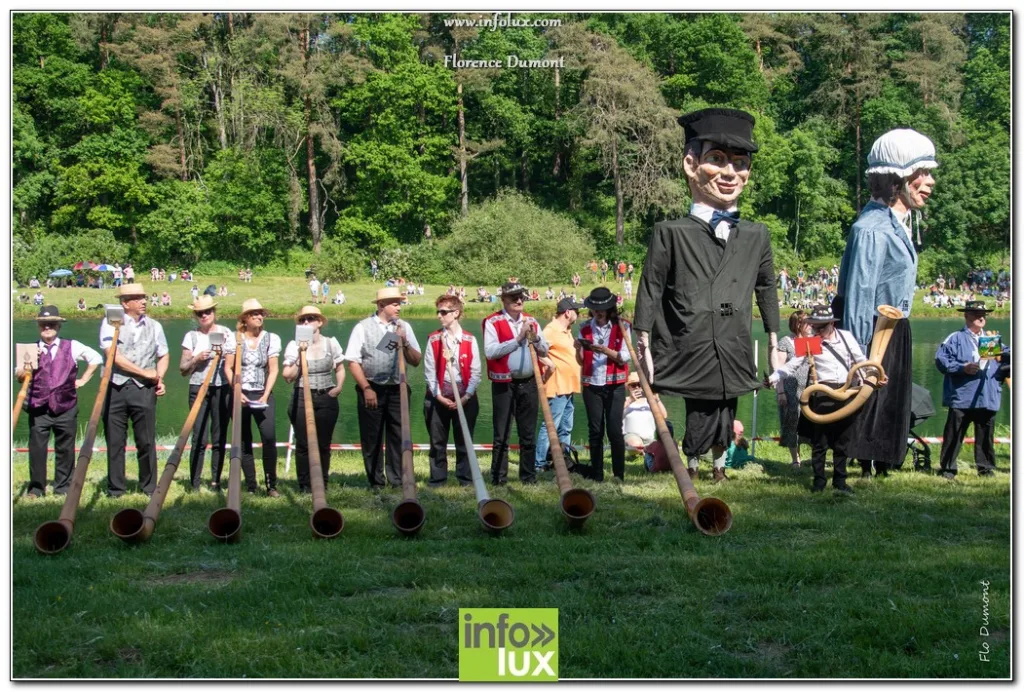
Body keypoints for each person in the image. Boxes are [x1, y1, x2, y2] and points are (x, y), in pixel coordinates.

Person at [634, 108, 781, 483]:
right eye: (717, 160)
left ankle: (719, 466)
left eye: (740, 163)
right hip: (691, 342)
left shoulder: (756, 234)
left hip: (733, 344)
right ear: (690, 165)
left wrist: (775, 341)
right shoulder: (671, 233)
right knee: (699, 406)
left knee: (728, 406)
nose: (731, 173)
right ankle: (695, 464)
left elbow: (766, 286)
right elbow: (651, 286)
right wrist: (643, 339)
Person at [835, 128, 937, 479]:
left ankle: (878, 460)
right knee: (872, 392)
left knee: (890, 397)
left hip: (895, 328)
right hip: (875, 330)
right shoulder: (873, 228)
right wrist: (862, 356)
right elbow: (860, 296)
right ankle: (863, 461)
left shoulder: (896, 223)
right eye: (921, 174)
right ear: (898, 179)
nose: (930, 182)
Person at [767, 305, 874, 493]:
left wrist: (871, 376)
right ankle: (819, 482)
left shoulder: (846, 337)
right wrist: (774, 377)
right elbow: (792, 365)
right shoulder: (810, 341)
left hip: (846, 392)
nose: (817, 331)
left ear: (832, 324)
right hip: (821, 393)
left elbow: (860, 360)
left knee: (843, 440)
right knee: (820, 442)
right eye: (814, 327)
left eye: (822, 327)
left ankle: (840, 481)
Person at [15, 306, 102, 497]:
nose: (48, 327)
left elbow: (96, 358)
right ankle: (36, 489)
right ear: (39, 326)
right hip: (38, 407)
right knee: (37, 449)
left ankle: (62, 487)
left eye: (52, 324)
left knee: (65, 448)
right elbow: (19, 376)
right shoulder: (29, 349)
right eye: (44, 324)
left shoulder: (73, 346)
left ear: (58, 326)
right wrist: (28, 365)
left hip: (66, 406)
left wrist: (83, 380)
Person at [345, 287, 423, 489]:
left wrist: (404, 342)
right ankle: (376, 482)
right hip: (372, 387)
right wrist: (366, 388)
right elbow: (353, 361)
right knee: (372, 437)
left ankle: (397, 480)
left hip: (399, 388)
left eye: (400, 303)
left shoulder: (403, 326)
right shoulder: (362, 327)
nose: (399, 307)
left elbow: (416, 360)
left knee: (399, 435)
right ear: (381, 306)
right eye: (395, 304)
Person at [100, 283, 170, 497]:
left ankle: (149, 487)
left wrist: (159, 377)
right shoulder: (111, 322)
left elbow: (164, 355)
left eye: (144, 298)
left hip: (144, 390)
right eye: (138, 298)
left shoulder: (155, 326)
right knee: (115, 440)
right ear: (125, 303)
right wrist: (144, 372)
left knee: (146, 439)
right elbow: (113, 356)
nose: (144, 302)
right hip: (115, 388)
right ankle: (116, 489)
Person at [483, 281, 549, 485]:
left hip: (528, 382)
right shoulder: (492, 322)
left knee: (527, 433)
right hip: (503, 384)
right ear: (503, 299)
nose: (519, 300)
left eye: (521, 296)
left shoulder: (532, 321)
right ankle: (498, 477)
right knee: (501, 433)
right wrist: (519, 338)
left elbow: (545, 350)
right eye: (514, 297)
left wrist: (536, 339)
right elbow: (491, 352)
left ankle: (528, 477)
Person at [935, 301, 1007, 479]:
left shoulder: (991, 339)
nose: (980, 317)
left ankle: (986, 469)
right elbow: (941, 361)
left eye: (983, 314)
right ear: (966, 316)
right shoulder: (955, 338)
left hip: (987, 395)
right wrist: (962, 368)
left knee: (985, 434)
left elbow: (1009, 358)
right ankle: (948, 469)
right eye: (975, 314)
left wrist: (1004, 357)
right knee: (954, 433)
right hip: (963, 395)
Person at [282, 306, 346, 492]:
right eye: (302, 320)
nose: (306, 322)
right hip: (302, 395)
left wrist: (338, 387)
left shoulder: (331, 343)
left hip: (326, 396)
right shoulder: (294, 345)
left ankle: (322, 482)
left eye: (310, 318)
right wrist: (301, 355)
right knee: (303, 444)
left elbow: (340, 368)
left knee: (323, 444)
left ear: (319, 322)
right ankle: (304, 484)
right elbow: (287, 377)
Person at [422, 294, 482, 486]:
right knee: (437, 441)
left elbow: (476, 373)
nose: (439, 315)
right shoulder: (433, 339)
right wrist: (438, 396)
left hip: (465, 397)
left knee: (464, 439)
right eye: (438, 311)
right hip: (437, 397)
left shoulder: (470, 340)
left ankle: (465, 478)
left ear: (455, 313)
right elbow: (429, 372)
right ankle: (438, 479)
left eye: (444, 312)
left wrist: (465, 397)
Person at [180, 295, 237, 492]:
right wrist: (196, 358)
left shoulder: (227, 333)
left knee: (219, 435)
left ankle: (215, 481)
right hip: (198, 388)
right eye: (199, 313)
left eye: (207, 311)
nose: (204, 315)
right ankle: (194, 483)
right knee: (199, 437)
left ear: (214, 312)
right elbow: (183, 369)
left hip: (222, 387)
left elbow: (235, 362)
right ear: (196, 316)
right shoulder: (191, 336)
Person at [575, 287, 631, 482]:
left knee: (615, 430)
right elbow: (582, 362)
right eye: (595, 309)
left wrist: (605, 350)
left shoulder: (623, 327)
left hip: (615, 384)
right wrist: (578, 350)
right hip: (591, 385)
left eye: (602, 309)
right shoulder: (584, 328)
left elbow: (625, 357)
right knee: (595, 430)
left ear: (609, 309)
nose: (598, 313)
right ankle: (597, 474)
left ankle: (618, 474)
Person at [233, 299, 282, 495]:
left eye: (260, 313)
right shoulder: (235, 338)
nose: (259, 317)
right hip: (240, 393)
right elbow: (229, 368)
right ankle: (251, 485)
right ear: (245, 318)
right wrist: (238, 391)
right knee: (244, 439)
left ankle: (271, 485)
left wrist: (266, 395)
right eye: (254, 314)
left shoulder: (271, 338)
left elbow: (274, 369)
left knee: (269, 438)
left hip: (263, 393)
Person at [535, 296, 584, 474]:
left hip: (569, 385)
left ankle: (562, 459)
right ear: (568, 312)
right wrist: (550, 364)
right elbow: (537, 350)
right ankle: (539, 462)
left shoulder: (567, 330)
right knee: (550, 425)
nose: (578, 314)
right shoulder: (550, 330)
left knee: (566, 425)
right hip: (557, 385)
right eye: (576, 311)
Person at [776, 310, 813, 467]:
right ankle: (795, 459)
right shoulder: (785, 342)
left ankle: (814, 456)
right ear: (798, 324)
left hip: (809, 390)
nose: (811, 325)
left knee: (811, 424)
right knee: (791, 424)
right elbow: (778, 368)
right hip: (790, 390)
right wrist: (781, 391)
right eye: (807, 322)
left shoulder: (812, 342)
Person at [622, 371, 673, 473]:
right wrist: (631, 400)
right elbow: (615, 417)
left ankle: (647, 453)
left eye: (639, 385)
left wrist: (657, 399)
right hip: (630, 437)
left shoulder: (649, 401)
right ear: (628, 387)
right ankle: (645, 453)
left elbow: (664, 416)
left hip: (649, 439)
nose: (637, 388)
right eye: (633, 385)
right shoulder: (625, 400)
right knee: (636, 443)